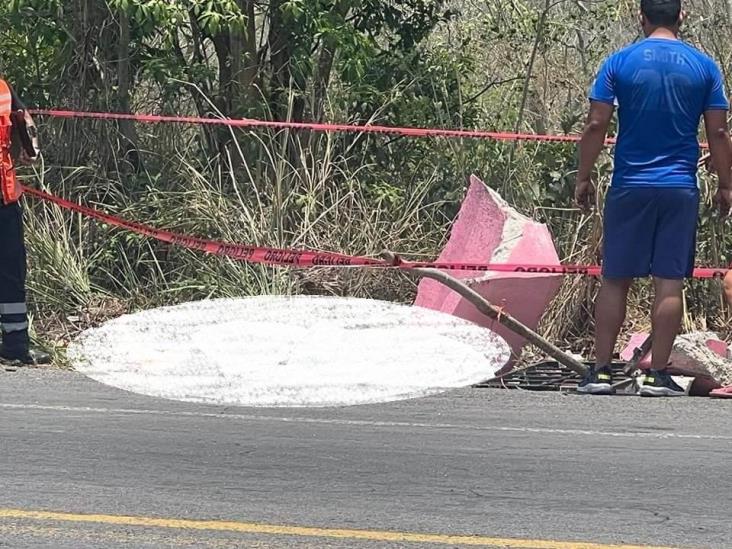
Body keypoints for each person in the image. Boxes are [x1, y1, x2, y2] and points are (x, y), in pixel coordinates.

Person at [574, 0, 732, 397]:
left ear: (640, 17)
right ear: (681, 17)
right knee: (670, 281)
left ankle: (601, 372)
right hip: (680, 187)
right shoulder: (705, 67)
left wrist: (584, 176)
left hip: (630, 185)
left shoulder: (619, 63)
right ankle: (656, 375)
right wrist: (727, 185)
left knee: (615, 279)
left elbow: (596, 123)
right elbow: (719, 134)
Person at [0, 78, 50, 366]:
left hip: (5, 198)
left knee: (12, 272)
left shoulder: (3, 89)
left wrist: (29, 144)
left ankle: (16, 345)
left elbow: (23, 121)